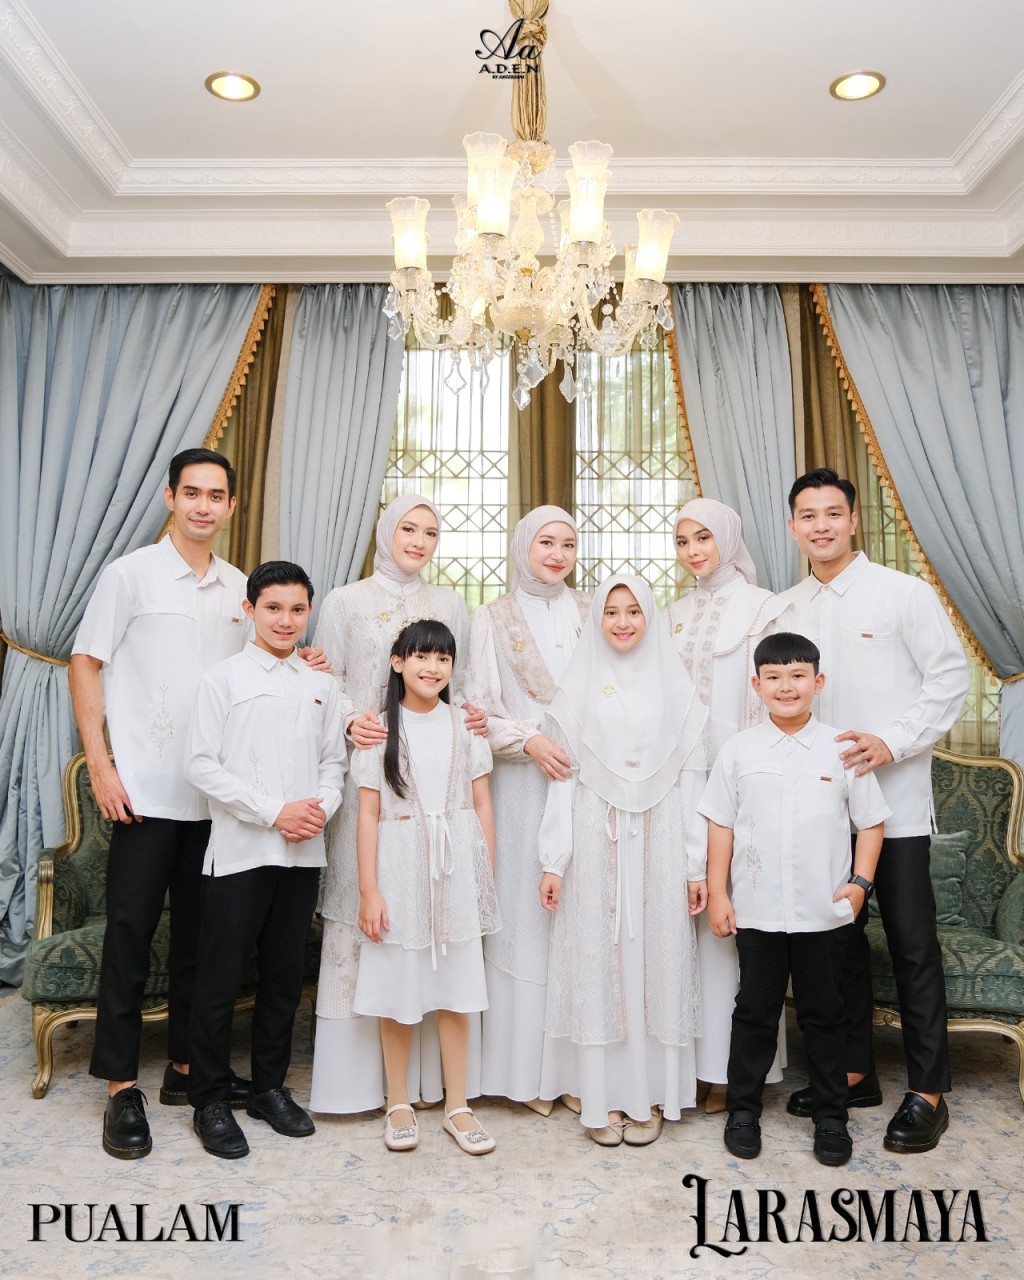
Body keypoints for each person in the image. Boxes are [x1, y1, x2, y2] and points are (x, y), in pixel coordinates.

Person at [776, 468, 969, 1153]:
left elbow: (950, 677)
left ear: (853, 520)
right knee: (838, 946)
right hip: (824, 810)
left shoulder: (902, 593)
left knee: (913, 946)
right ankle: (854, 1073)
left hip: (897, 804)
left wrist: (893, 739)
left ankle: (929, 1093)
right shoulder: (786, 608)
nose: (821, 525)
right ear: (793, 527)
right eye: (808, 515)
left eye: (833, 512)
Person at [69, 448, 251, 1160]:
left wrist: (308, 660)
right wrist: (102, 766)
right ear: (171, 497)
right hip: (142, 793)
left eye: (216, 495)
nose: (204, 506)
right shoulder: (130, 575)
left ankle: (184, 1069)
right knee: (130, 936)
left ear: (231, 505)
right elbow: (86, 662)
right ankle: (121, 1085)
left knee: (202, 944)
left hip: (216, 799)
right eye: (192, 493)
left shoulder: (240, 588)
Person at [310, 495, 485, 1114]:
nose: (418, 540)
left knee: (430, 917)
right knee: (369, 908)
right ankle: (361, 1087)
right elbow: (325, 682)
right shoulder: (344, 601)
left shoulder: (450, 604)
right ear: (386, 531)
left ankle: (441, 1088)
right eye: (408, 528)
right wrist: (351, 720)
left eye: (430, 532)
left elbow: (458, 683)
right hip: (372, 765)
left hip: (433, 771)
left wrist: (475, 719)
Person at [700, 632, 889, 1166]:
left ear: (818, 682)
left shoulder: (842, 749)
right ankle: (742, 1110)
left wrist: (860, 884)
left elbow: (871, 822)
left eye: (798, 675)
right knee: (754, 1013)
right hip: (757, 911)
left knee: (825, 1016)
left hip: (823, 914)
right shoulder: (739, 750)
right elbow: (720, 824)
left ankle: (831, 1117)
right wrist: (718, 893)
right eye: (775, 677)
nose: (787, 686)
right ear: (757, 684)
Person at [537, 574, 708, 1147]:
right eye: (611, 611)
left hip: (661, 835)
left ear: (650, 616)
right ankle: (601, 1096)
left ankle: (649, 1095)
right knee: (598, 957)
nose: (623, 621)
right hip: (594, 831)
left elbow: (692, 781)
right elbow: (561, 780)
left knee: (656, 956)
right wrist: (554, 859)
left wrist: (695, 866)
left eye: (634, 610)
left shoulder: (677, 687)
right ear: (597, 619)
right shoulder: (575, 689)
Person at [183, 562, 346, 1158]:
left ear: (309, 613)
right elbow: (200, 765)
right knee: (220, 978)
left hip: (302, 853)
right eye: (273, 608)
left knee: (283, 976)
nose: (285, 620)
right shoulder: (222, 679)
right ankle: (208, 1099)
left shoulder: (321, 683)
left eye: (297, 610)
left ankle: (269, 1089)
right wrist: (274, 811)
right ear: (250, 610)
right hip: (240, 851)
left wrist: (319, 810)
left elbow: (334, 762)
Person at [353, 619, 499, 1155]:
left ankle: (457, 1106)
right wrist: (369, 890)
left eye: (443, 658)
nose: (432, 667)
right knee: (400, 983)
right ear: (397, 662)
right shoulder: (378, 730)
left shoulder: (465, 725)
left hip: (456, 867)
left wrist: (483, 875)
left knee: (457, 990)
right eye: (420, 656)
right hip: (399, 866)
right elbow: (368, 814)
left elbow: (481, 803)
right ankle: (398, 1101)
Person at [667, 498, 790, 1113]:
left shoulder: (765, 608)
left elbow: (777, 695)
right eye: (683, 541)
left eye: (704, 538)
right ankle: (688, 1064)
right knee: (688, 924)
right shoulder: (672, 614)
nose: (693, 551)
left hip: (743, 782)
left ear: (728, 539)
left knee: (735, 923)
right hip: (679, 782)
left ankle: (733, 1071)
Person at [467, 506, 588, 1114]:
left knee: (576, 917)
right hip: (518, 788)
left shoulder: (594, 611)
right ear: (523, 547)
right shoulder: (491, 617)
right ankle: (523, 1076)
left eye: (568, 543)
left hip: (586, 784)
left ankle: (575, 1071)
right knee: (523, 916)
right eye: (546, 542)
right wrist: (531, 740)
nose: (557, 554)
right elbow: (477, 712)